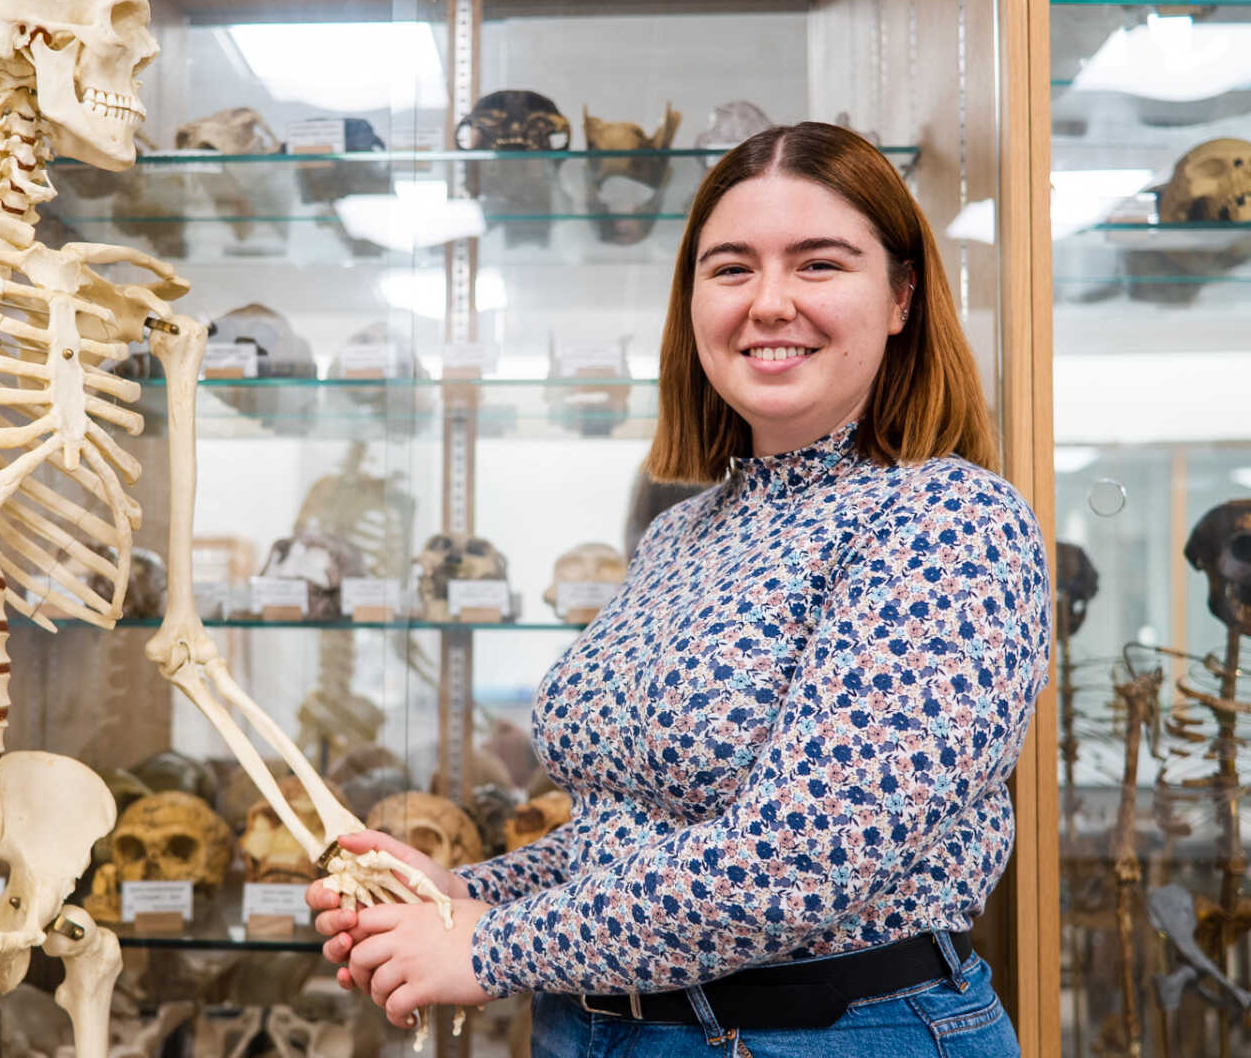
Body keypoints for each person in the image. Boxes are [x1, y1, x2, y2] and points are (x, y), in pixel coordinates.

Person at [307, 122, 1050, 1057]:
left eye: (818, 265)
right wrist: (469, 894)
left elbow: (799, 858)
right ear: (693, 301)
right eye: (731, 269)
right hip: (602, 1029)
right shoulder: (682, 534)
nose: (769, 303)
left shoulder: (947, 521)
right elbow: (633, 829)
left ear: (902, 297)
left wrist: (491, 948)